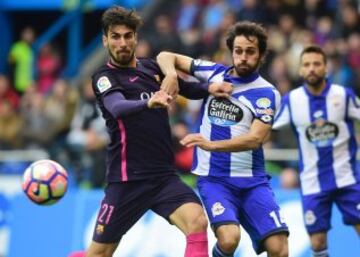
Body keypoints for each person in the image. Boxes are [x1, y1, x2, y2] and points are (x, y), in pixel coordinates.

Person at [72, 6, 232, 257]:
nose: (122, 42)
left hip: (162, 177)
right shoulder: (104, 77)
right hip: (127, 181)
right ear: (105, 40)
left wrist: (212, 87)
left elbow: (187, 89)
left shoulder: (151, 68)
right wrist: (148, 102)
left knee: (197, 221)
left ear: (136, 38)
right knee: (99, 254)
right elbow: (117, 107)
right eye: (115, 36)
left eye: (128, 36)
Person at [157, 21, 289, 257]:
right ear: (231, 51)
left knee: (279, 249)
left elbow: (255, 139)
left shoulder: (267, 93)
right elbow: (166, 56)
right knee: (229, 239)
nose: (243, 57)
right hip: (215, 179)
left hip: (253, 181)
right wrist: (171, 75)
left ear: (260, 55)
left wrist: (211, 145)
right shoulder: (214, 73)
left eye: (250, 51)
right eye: (238, 51)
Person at [273, 45, 360, 257]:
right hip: (313, 182)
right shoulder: (291, 101)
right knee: (318, 242)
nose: (312, 68)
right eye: (307, 65)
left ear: (325, 68)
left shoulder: (344, 96)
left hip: (347, 179)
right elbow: (266, 129)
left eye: (317, 64)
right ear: (301, 70)